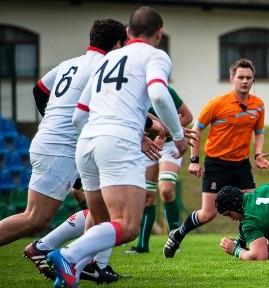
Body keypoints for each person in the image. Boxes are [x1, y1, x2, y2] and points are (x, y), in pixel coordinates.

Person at [47, 7, 188, 288]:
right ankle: (68, 254)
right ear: (159, 34)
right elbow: (159, 93)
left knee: (100, 221)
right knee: (127, 226)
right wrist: (178, 134)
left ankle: (70, 275)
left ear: (128, 32)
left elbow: (79, 116)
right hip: (118, 143)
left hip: (86, 143)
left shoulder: (107, 59)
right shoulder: (155, 55)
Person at [0, 18, 126, 247]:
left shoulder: (69, 63)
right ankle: (46, 250)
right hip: (60, 150)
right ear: (117, 45)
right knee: (35, 218)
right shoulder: (104, 67)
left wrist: (50, 118)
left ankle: (90, 263)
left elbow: (39, 90)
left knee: (100, 207)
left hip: (60, 145)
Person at [163, 58, 269, 258]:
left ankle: (245, 246)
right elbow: (197, 129)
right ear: (232, 79)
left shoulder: (258, 105)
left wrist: (258, 154)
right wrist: (195, 160)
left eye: (248, 78)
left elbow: (259, 132)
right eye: (241, 77)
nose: (245, 81)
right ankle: (178, 234)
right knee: (208, 214)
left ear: (253, 80)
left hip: (241, 165)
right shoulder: (217, 104)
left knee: (251, 208)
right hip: (216, 165)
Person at [127, 86, 193, 254]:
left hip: (169, 144)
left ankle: (174, 240)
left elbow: (187, 116)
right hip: (145, 145)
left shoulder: (166, 91)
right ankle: (142, 245)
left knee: (166, 190)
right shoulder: (133, 91)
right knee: (147, 196)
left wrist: (165, 134)